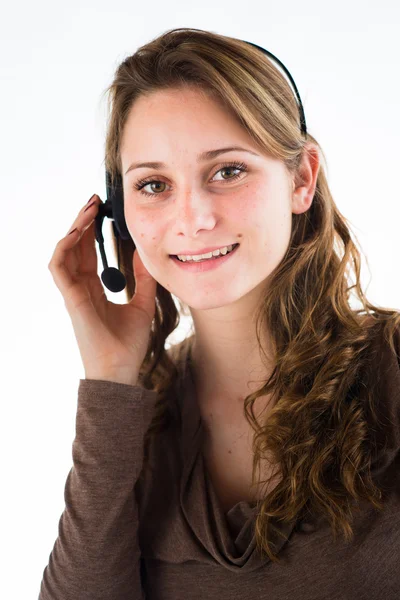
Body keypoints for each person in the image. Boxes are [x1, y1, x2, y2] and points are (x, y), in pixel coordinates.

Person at [39, 27, 400, 599]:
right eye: (154, 184)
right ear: (119, 213)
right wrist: (110, 383)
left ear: (301, 178)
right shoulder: (134, 420)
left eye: (227, 171)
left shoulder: (392, 369)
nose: (192, 218)